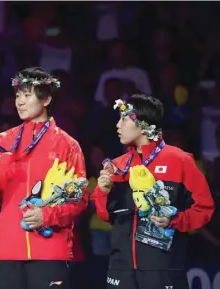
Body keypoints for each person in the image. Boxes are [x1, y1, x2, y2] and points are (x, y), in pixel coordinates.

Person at [91, 94, 215, 289]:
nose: (117, 125)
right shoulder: (117, 166)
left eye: (123, 119)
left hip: (164, 268)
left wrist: (174, 221)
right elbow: (105, 215)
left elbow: (204, 208)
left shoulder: (180, 161)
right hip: (120, 268)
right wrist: (104, 191)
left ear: (142, 125)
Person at [0, 67, 88, 289]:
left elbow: (80, 199)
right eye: (18, 95)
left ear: (46, 99)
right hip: (10, 249)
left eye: (27, 95)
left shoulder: (67, 145)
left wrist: (46, 215)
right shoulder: (3, 141)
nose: (19, 101)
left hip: (50, 250)